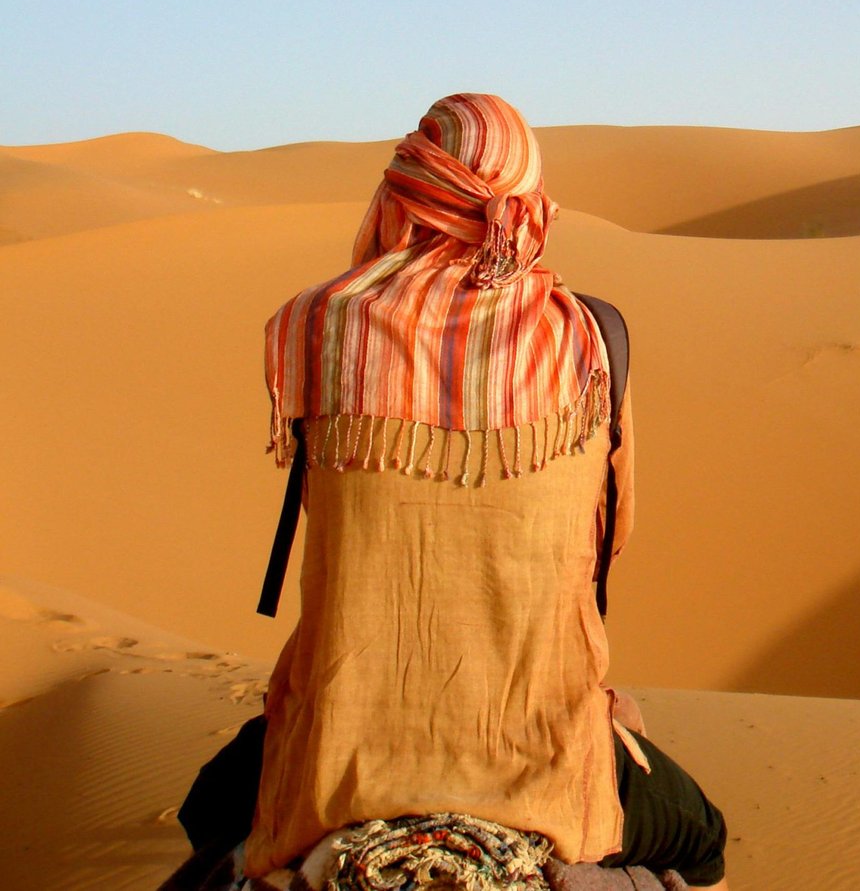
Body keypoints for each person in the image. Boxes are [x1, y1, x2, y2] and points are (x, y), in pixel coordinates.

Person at [239, 93, 728, 888]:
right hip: (543, 754)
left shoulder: (319, 325)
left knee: (207, 809)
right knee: (702, 837)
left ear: (403, 194)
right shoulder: (592, 340)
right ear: (528, 203)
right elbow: (610, 538)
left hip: (337, 758)